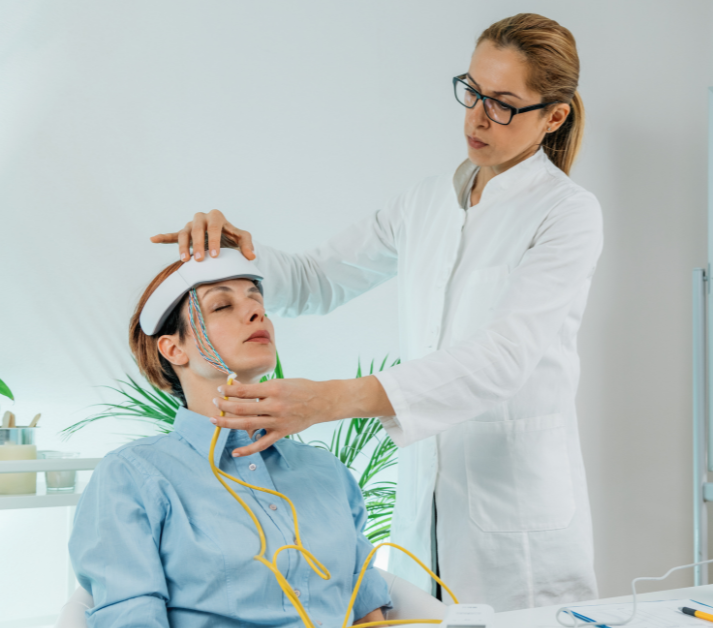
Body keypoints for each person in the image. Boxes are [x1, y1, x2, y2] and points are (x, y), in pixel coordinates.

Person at [149, 13, 601, 611]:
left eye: (502, 104)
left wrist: (333, 400)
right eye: (472, 91)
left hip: (518, 528)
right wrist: (233, 250)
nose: (475, 117)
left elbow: (503, 359)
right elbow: (317, 280)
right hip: (426, 516)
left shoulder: (566, 213)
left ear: (554, 116)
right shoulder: (425, 204)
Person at [69, 248, 392, 626]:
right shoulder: (132, 475)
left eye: (258, 302)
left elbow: (369, 612)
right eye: (222, 306)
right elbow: (131, 617)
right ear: (173, 348)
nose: (257, 313)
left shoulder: (328, 472)